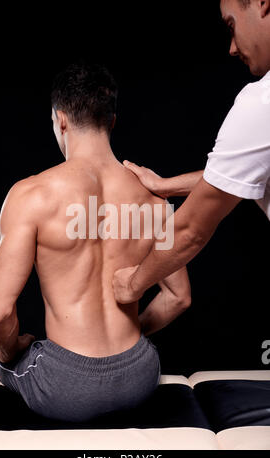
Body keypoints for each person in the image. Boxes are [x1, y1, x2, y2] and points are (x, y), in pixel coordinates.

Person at [0, 62, 191, 423]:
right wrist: (132, 334)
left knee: (1, 361)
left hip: (66, 387)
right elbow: (178, 297)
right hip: (141, 374)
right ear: (111, 121)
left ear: (60, 120)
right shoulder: (154, 196)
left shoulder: (31, 195)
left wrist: (11, 347)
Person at [113, 0, 270, 304]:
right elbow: (239, 176)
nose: (232, 48)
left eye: (231, 26)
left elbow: (191, 230)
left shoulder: (263, 102)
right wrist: (164, 186)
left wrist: (132, 284)